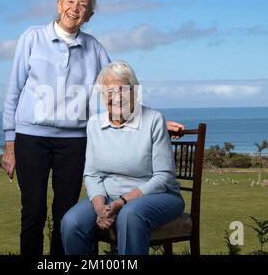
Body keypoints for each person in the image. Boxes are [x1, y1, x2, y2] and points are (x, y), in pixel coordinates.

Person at [2, 0, 184, 255]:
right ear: (58, 4)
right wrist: (10, 143)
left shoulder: (95, 48)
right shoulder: (32, 37)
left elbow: (120, 86)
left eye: (83, 5)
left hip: (75, 142)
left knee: (65, 215)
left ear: (90, 15)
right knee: (33, 212)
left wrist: (149, 118)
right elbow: (13, 89)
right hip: (31, 138)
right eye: (70, 1)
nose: (75, 8)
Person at [61, 61, 185, 255]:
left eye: (123, 90)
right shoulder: (94, 124)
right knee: (71, 222)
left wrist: (121, 203)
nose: (117, 97)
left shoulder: (154, 120)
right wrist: (101, 207)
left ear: (135, 92)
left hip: (158, 195)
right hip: (108, 197)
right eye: (110, 92)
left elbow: (163, 178)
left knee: (130, 215)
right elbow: (92, 175)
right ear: (102, 96)